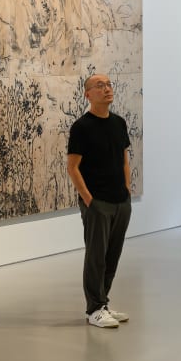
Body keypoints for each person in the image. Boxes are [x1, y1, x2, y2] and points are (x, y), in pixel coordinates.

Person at [66, 73, 132, 328]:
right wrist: (89, 200)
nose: (107, 89)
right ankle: (93, 309)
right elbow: (73, 167)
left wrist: (127, 189)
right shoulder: (82, 127)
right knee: (96, 257)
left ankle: (103, 303)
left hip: (120, 202)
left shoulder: (119, 123)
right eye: (100, 85)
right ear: (88, 94)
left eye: (109, 84)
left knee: (112, 255)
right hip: (98, 203)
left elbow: (124, 159)